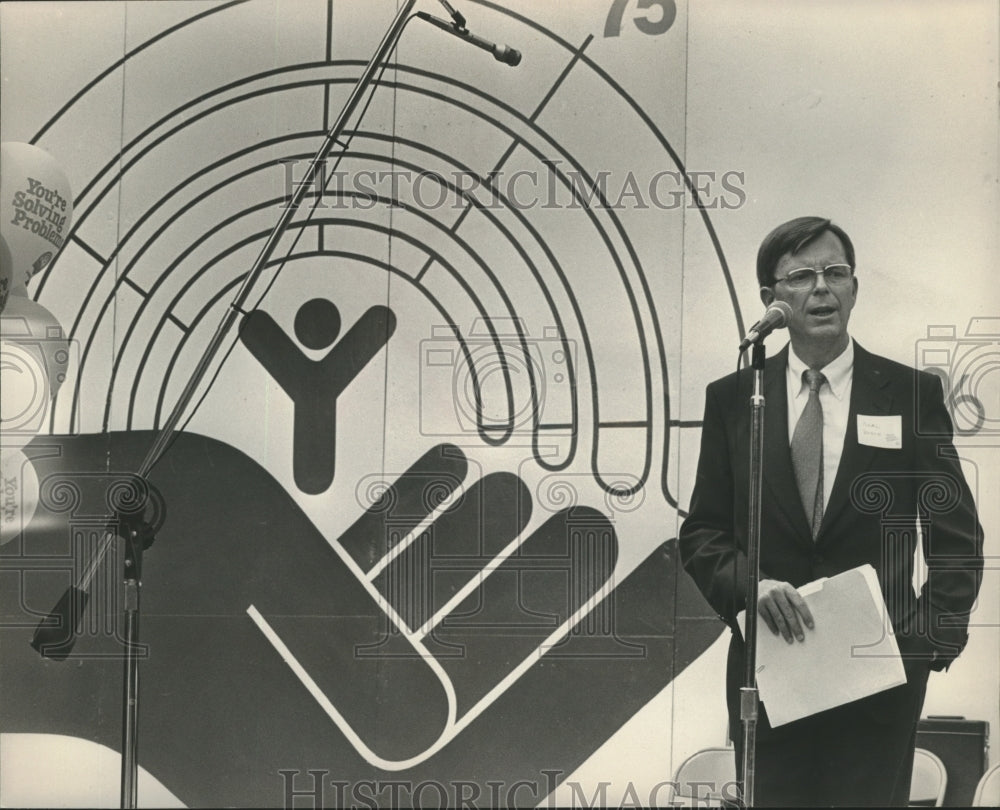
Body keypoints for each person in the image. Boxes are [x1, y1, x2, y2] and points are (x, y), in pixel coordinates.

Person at [678, 216, 984, 807]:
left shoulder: (909, 394)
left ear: (854, 288)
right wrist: (750, 585)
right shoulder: (737, 399)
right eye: (801, 276)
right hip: (770, 671)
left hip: (881, 675)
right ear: (773, 300)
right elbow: (703, 533)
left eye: (835, 272)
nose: (821, 287)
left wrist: (925, 646)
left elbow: (956, 533)